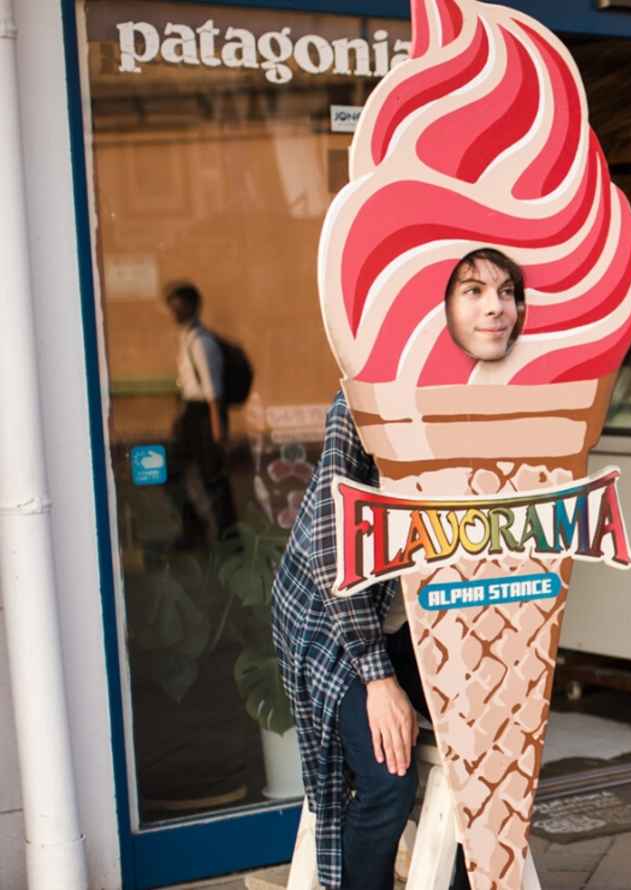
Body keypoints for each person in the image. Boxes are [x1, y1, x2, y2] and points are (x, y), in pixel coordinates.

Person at [272, 248, 526, 890]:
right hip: (338, 620)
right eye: (472, 290)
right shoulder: (368, 398)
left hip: (425, 614)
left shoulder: (514, 395)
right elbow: (338, 548)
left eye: (506, 289)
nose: (495, 305)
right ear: (436, 306)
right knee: (388, 776)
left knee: (495, 746)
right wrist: (379, 680)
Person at [165, 281, 237, 546]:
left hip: (205, 415)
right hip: (192, 413)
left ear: (192, 306)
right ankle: (195, 527)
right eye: (171, 306)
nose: (173, 311)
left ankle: (228, 535)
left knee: (213, 476)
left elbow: (212, 389)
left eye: (178, 305)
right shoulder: (187, 337)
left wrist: (218, 430)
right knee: (171, 471)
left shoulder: (201, 342)